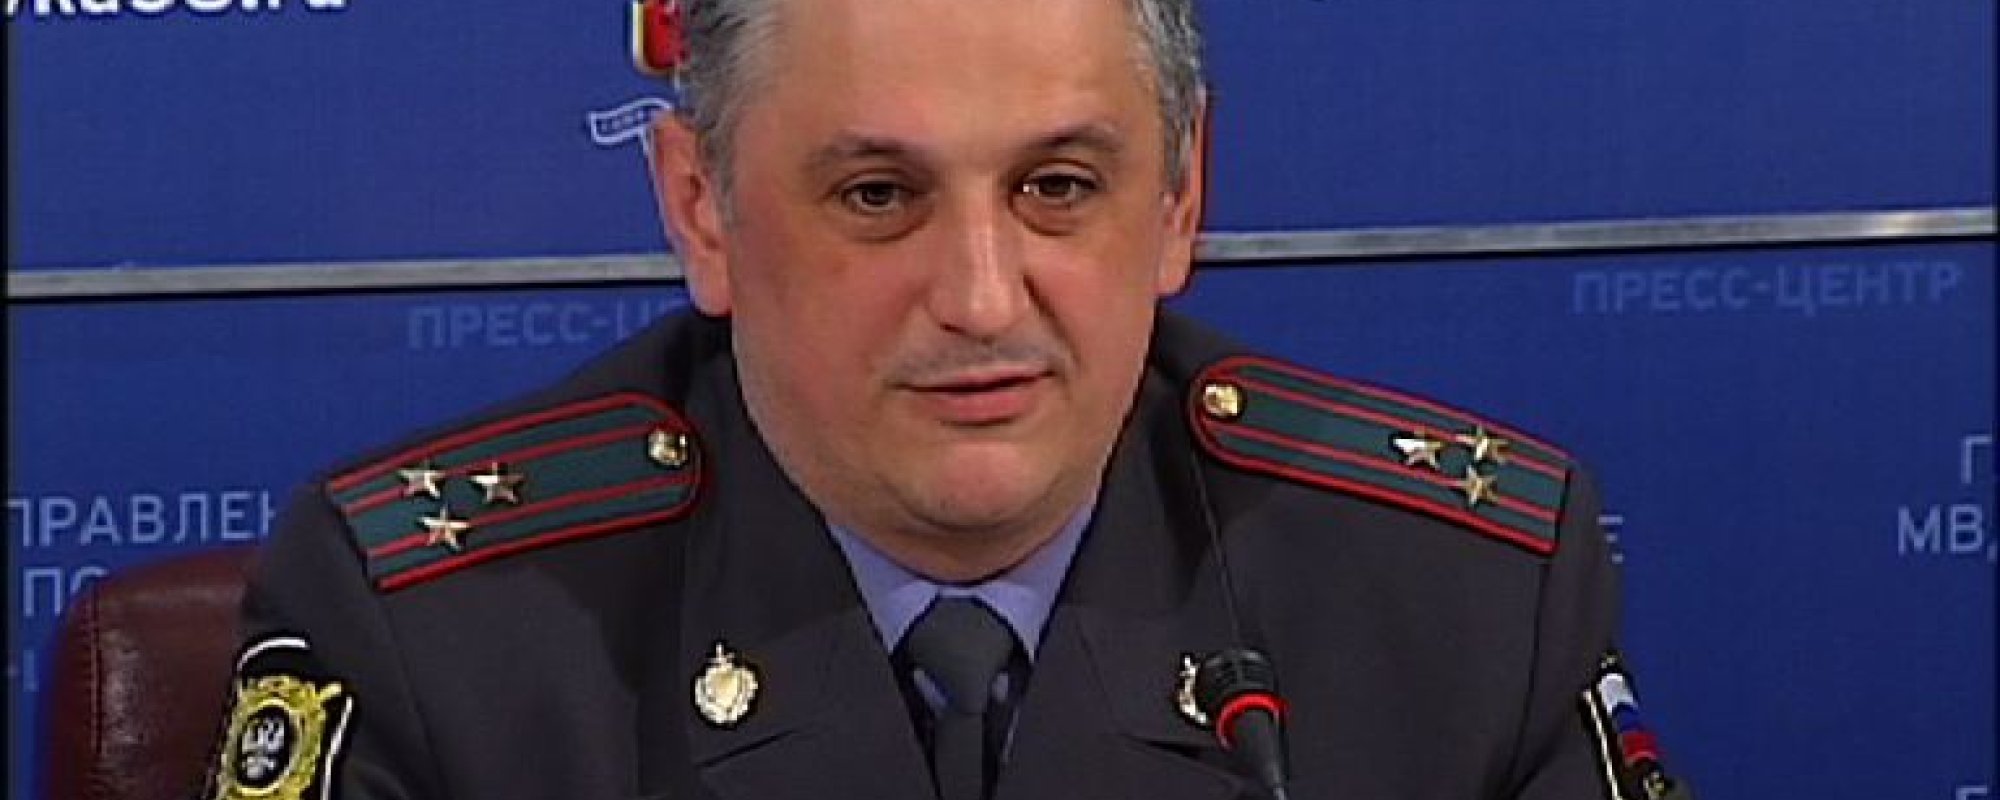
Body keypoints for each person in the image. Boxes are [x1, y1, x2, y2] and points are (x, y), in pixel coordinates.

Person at [202, 0, 1692, 798]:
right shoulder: (439, 626)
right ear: (702, 208)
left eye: (1059, 187)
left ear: (1180, 196)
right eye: (877, 195)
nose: (981, 296)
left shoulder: (1463, 601)